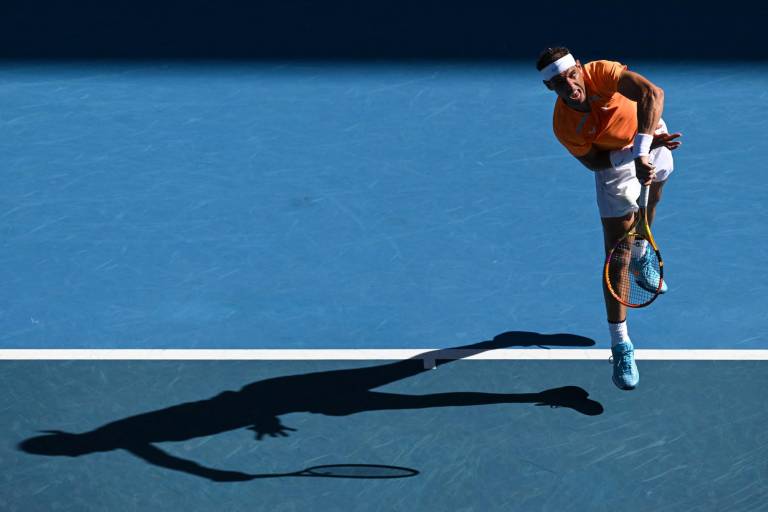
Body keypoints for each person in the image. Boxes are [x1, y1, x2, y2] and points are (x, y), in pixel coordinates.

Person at [536, 47, 682, 390]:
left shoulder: (601, 73)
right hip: (617, 162)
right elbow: (594, 164)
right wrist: (633, 157)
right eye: (559, 82)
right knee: (617, 256)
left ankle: (643, 251)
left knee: (655, 191)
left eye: (572, 74)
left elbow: (652, 93)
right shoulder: (564, 124)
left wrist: (644, 149)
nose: (570, 84)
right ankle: (621, 344)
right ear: (550, 88)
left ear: (580, 69)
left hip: (650, 134)